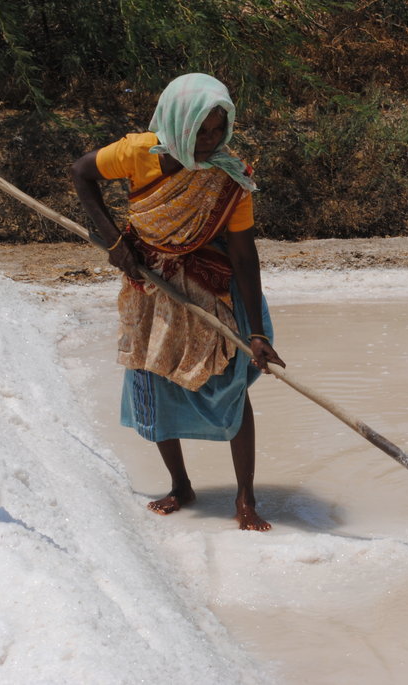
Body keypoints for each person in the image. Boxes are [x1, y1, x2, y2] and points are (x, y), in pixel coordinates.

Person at [71, 73, 284, 531]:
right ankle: (180, 484)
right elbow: (81, 173)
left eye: (217, 130)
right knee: (156, 381)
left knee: (230, 387)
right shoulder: (137, 152)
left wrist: (258, 333)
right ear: (177, 123)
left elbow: (245, 256)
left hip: (214, 292)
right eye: (200, 131)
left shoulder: (230, 176)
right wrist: (114, 242)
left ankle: (245, 496)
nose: (209, 142)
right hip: (152, 286)